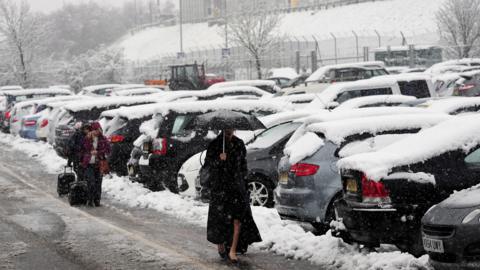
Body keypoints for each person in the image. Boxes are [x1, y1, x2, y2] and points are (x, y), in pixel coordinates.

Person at [205, 128, 262, 263]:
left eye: (231, 128)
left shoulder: (239, 143)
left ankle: (233, 250)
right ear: (222, 129)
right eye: (227, 128)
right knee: (221, 219)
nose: (229, 131)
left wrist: (243, 179)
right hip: (220, 188)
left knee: (238, 219)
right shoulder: (215, 144)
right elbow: (208, 166)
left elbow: (243, 164)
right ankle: (221, 244)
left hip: (237, 187)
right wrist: (219, 160)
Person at [80, 122, 111, 207]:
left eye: (97, 130)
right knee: (91, 182)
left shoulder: (103, 139)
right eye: (94, 130)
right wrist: (88, 154)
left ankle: (97, 200)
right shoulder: (87, 139)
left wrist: (98, 152)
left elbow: (108, 150)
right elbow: (82, 150)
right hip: (89, 164)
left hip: (99, 164)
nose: (96, 132)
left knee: (98, 183)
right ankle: (89, 200)